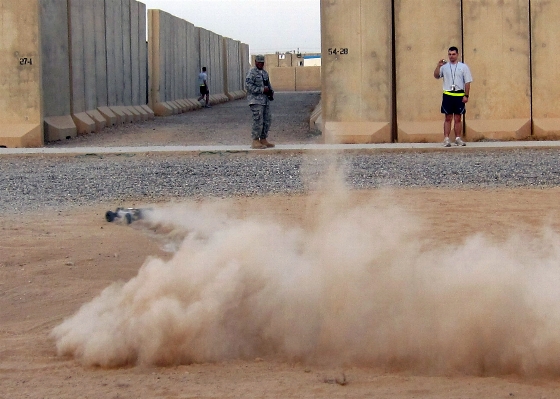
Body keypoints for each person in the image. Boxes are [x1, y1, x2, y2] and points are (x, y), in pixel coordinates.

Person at [434, 46, 472, 147]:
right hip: (448, 94)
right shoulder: (444, 67)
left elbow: (467, 82)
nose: (451, 56)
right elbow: (436, 76)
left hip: (459, 94)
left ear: (457, 54)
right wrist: (438, 66)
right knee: (448, 117)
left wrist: (466, 95)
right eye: (450, 54)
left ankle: (458, 138)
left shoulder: (463, 67)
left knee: (458, 118)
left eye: (453, 54)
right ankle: (446, 138)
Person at [245, 54, 274, 149]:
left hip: (265, 101)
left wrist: (270, 92)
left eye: (262, 62)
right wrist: (261, 90)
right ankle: (255, 140)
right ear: (255, 62)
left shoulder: (265, 73)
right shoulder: (252, 73)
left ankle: (263, 139)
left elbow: (268, 85)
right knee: (258, 120)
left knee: (267, 120)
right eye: (259, 62)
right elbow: (248, 86)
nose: (261, 64)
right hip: (255, 100)